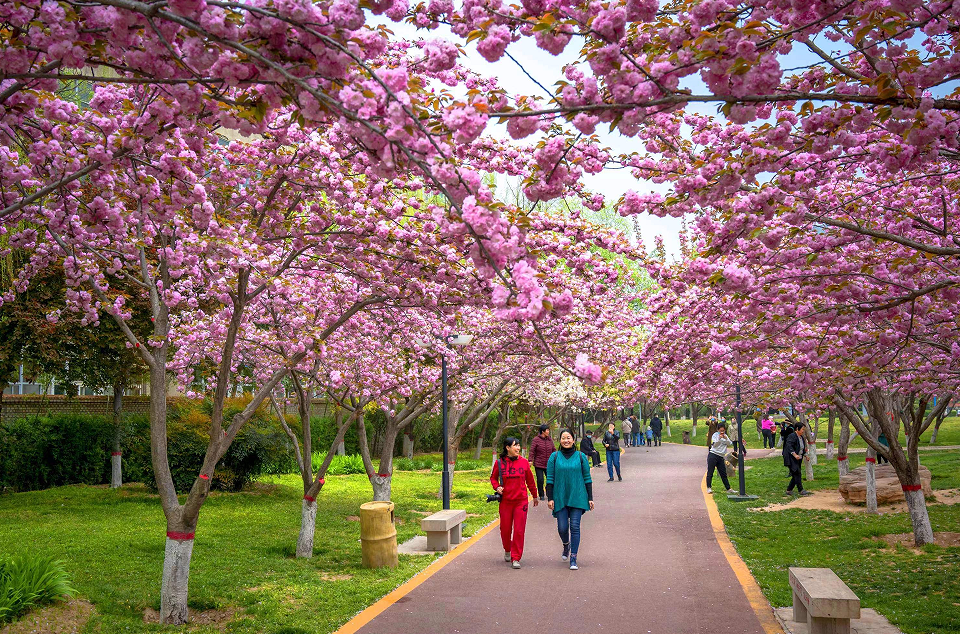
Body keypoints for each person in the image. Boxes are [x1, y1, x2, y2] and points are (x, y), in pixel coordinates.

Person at [546, 429, 594, 570]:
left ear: (573, 440)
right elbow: (550, 479)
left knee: (574, 526)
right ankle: (566, 545)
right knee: (562, 528)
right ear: (559, 440)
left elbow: (587, 478)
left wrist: (590, 498)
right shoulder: (554, 457)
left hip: (578, 496)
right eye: (563, 438)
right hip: (560, 496)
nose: (566, 440)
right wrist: (550, 498)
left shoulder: (581, 457)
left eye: (569, 438)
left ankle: (573, 557)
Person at [490, 437, 538, 569]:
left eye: (518, 445)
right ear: (507, 448)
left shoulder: (524, 463)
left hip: (521, 502)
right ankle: (507, 549)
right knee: (505, 530)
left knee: (519, 530)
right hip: (505, 502)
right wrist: (497, 487)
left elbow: (530, 481)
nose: (518, 448)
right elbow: (493, 478)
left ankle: (516, 558)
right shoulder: (499, 463)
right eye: (515, 445)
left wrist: (534, 495)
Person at [783, 421, 812, 496]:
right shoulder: (792, 436)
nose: (803, 431)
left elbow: (802, 448)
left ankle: (789, 490)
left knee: (795, 474)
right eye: (802, 429)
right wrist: (795, 454)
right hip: (791, 458)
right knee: (797, 473)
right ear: (797, 429)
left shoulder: (801, 437)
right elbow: (789, 446)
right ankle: (801, 490)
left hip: (798, 458)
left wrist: (805, 455)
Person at [528, 424, 555, 501]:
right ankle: (541, 494)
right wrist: (530, 460)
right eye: (547, 430)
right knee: (540, 480)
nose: (548, 431)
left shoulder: (550, 440)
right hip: (539, 464)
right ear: (543, 431)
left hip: (549, 464)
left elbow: (553, 449)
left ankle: (549, 492)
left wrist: (557, 458)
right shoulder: (536, 440)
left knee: (550, 479)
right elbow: (532, 450)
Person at [706, 422, 735, 494]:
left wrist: (726, 438)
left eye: (723, 430)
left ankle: (728, 488)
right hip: (713, 455)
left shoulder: (725, 436)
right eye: (720, 430)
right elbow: (714, 445)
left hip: (721, 456)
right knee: (710, 472)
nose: (722, 432)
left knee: (723, 473)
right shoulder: (715, 435)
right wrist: (719, 438)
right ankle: (709, 487)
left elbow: (729, 444)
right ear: (718, 430)